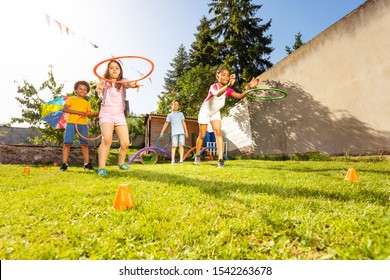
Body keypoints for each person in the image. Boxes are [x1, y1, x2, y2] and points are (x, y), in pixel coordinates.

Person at [194, 66, 259, 168]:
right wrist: (228, 85)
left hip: (215, 112)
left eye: (228, 76)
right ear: (217, 76)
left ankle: (220, 159)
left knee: (218, 133)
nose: (226, 77)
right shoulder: (214, 87)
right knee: (202, 134)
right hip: (205, 111)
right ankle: (197, 155)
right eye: (223, 75)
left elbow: (240, 96)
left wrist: (249, 87)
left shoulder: (228, 90)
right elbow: (218, 94)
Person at [95, 59, 139, 176]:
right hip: (106, 114)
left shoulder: (122, 82)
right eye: (111, 67)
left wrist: (134, 84)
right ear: (107, 70)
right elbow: (100, 85)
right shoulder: (105, 81)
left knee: (125, 143)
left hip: (119, 116)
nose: (114, 69)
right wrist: (99, 86)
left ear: (120, 71)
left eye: (117, 68)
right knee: (107, 139)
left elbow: (129, 84)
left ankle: (121, 163)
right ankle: (101, 168)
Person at [60, 80, 98, 171]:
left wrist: (97, 113)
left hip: (82, 125)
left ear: (87, 92)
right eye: (80, 88)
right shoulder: (71, 99)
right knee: (67, 143)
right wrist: (78, 112)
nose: (82, 90)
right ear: (76, 90)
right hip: (71, 123)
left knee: (84, 144)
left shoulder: (87, 103)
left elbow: (89, 114)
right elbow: (64, 109)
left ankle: (86, 164)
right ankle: (64, 164)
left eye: (85, 89)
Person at [160, 100, 188, 164]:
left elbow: (184, 123)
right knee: (174, 147)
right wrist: (162, 132)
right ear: (172, 105)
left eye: (177, 105)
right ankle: (172, 161)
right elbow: (166, 123)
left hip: (181, 132)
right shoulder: (169, 115)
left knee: (181, 146)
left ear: (178, 106)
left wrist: (186, 132)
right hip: (174, 133)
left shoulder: (181, 114)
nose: (176, 106)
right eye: (174, 104)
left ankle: (181, 160)